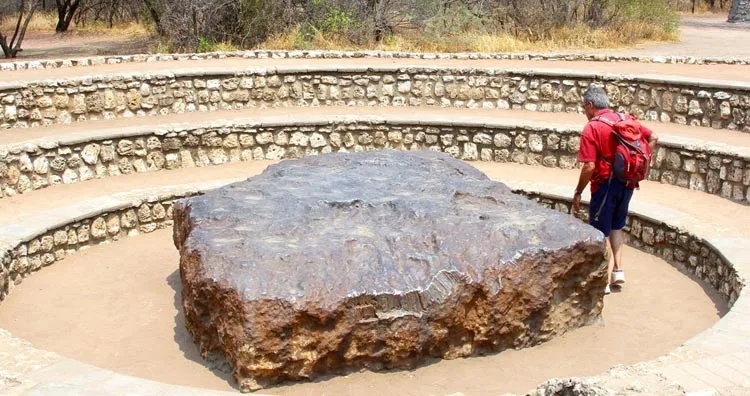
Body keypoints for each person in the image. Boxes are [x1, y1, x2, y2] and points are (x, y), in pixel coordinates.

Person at [572, 86, 658, 294]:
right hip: (627, 182)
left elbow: (589, 166)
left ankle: (602, 280)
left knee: (600, 230)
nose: (584, 112)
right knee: (617, 226)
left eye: (584, 107)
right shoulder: (624, 118)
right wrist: (642, 162)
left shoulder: (593, 127)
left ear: (590, 105)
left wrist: (578, 192)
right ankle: (618, 272)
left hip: (604, 185)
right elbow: (653, 137)